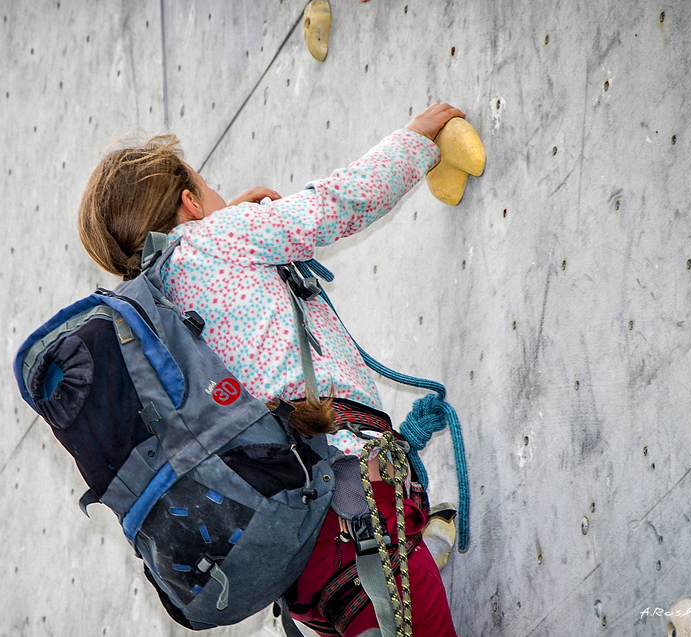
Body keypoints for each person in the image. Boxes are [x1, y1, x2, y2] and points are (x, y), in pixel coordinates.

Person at [77, 103, 464, 636]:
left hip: (298, 563)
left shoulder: (149, 321)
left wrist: (223, 223)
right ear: (190, 204)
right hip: (357, 515)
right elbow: (330, 206)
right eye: (207, 187)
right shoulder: (220, 239)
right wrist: (414, 142)